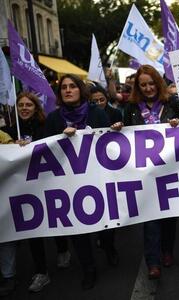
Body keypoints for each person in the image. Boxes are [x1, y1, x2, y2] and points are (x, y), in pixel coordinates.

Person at [45, 74, 121, 289]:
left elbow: (108, 144)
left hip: (98, 180)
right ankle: (89, 268)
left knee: (105, 226)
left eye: (72, 86)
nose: (68, 90)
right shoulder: (54, 119)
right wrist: (60, 137)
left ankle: (109, 247)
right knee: (78, 230)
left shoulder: (96, 113)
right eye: (64, 88)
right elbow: (44, 150)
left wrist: (114, 131)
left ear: (80, 90)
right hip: (70, 185)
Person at [4, 92, 71, 292]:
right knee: (33, 229)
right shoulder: (8, 131)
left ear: (36, 108)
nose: (24, 108)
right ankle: (42, 272)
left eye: (28, 105)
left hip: (48, 183)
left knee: (54, 220)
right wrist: (11, 147)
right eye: (20, 105)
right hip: (24, 188)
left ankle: (62, 249)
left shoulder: (46, 127)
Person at [122, 65, 179, 280]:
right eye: (143, 85)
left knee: (169, 216)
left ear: (158, 83)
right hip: (144, 173)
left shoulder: (172, 103)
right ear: (137, 87)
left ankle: (167, 251)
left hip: (171, 169)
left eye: (151, 83)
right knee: (150, 217)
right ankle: (153, 261)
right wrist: (117, 128)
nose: (148, 88)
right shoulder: (131, 108)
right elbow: (123, 136)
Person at [0, 130, 15, 297]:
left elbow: (13, 154)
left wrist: (19, 148)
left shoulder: (3, 137)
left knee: (4, 236)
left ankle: (9, 276)